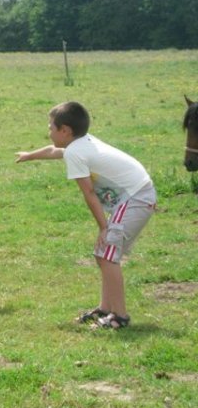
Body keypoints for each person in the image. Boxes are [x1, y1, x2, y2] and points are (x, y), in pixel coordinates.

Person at [15, 101, 156, 329]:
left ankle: (119, 316)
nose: (48, 131)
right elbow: (54, 150)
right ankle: (105, 309)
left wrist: (103, 227)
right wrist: (30, 155)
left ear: (65, 131)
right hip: (136, 194)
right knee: (102, 254)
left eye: (51, 127)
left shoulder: (76, 153)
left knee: (108, 255)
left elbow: (89, 193)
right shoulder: (80, 143)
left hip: (136, 197)